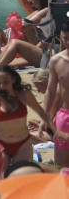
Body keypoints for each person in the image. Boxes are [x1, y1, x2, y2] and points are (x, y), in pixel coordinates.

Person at [43, 19, 69, 165]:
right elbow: (50, 91)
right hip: (64, 118)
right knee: (61, 168)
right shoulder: (56, 61)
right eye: (65, 39)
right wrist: (45, 116)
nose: (68, 42)